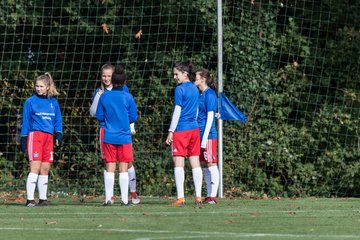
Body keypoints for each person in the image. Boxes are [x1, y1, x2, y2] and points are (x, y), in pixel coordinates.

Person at [90, 64, 140, 204]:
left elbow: (99, 116)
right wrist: (124, 122)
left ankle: (108, 199)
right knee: (123, 167)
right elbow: (133, 116)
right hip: (124, 136)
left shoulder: (105, 96)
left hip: (109, 135)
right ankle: (124, 200)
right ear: (124, 82)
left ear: (113, 79)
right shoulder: (128, 96)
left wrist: (109, 120)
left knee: (110, 165)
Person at [20, 72, 63, 207]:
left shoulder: (53, 102)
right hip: (35, 136)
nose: (38, 88)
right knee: (35, 167)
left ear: (48, 87)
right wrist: (23, 138)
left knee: (45, 169)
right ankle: (30, 200)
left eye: (41, 86)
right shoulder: (30, 102)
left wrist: (59, 134)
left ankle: (43, 199)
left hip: (48, 138)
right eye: (37, 86)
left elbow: (58, 120)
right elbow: (26, 121)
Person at [165, 60, 203, 206]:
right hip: (194, 129)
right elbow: (197, 110)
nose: (174, 77)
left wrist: (171, 131)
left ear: (185, 74)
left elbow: (177, 110)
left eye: (176, 74)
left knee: (179, 162)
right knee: (195, 162)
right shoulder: (195, 89)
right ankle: (198, 196)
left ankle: (181, 198)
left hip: (181, 129)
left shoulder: (179, 89)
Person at [194, 68, 219, 204]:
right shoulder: (200, 94)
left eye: (196, 77)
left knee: (211, 162)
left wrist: (204, 138)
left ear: (202, 79)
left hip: (208, 136)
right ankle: (208, 194)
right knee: (204, 164)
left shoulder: (210, 95)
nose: (194, 80)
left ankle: (213, 196)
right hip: (199, 134)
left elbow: (210, 117)